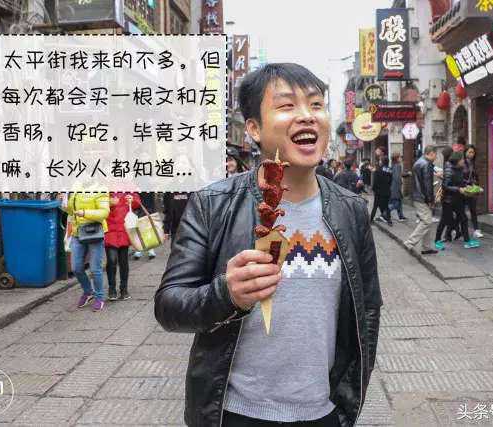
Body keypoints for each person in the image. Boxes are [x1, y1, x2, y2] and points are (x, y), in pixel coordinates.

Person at [155, 63, 381, 427]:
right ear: (254, 129)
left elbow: (367, 310)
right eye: (287, 105)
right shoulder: (213, 204)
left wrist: (345, 403)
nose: (307, 116)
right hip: (235, 413)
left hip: (323, 413)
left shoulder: (351, 210)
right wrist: (226, 294)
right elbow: (169, 305)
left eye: (316, 104)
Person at [59, 189, 110, 311]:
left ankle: (99, 297)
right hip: (78, 233)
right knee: (76, 268)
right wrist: (64, 203)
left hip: (95, 232)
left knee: (95, 268)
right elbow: (71, 211)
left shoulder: (100, 189)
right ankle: (88, 291)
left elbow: (104, 213)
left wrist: (84, 213)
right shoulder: (76, 188)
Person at [434, 151, 480, 250]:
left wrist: (469, 185)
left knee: (463, 218)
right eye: (462, 159)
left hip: (458, 198)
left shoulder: (460, 168)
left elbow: (460, 180)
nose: (463, 161)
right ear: (457, 160)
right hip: (448, 200)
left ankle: (467, 241)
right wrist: (458, 189)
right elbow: (445, 186)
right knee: (444, 220)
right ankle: (437, 240)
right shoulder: (449, 169)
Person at [105, 192, 141, 301]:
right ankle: (112, 289)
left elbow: (137, 202)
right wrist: (108, 203)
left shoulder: (127, 186)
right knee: (111, 260)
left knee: (123, 261)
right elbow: (96, 202)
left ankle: (124, 289)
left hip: (124, 228)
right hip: (110, 229)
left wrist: (132, 200)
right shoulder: (104, 188)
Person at [404, 145, 438, 255]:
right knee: (427, 221)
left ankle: (426, 247)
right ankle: (410, 242)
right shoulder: (426, 164)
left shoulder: (419, 162)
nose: (436, 157)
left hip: (417, 195)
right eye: (435, 155)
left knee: (426, 221)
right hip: (422, 197)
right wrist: (430, 200)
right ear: (431, 153)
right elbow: (427, 184)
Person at [464, 144, 483, 239]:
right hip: (464, 189)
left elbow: (476, 177)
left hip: (472, 189)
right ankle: (456, 229)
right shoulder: (462, 163)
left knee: (473, 210)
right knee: (461, 211)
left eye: (473, 152)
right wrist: (465, 185)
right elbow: (459, 176)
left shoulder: (474, 164)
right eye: (469, 152)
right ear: (465, 152)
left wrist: (476, 186)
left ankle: (476, 230)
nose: (471, 154)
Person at [370, 152, 393, 226]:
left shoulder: (378, 170)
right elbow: (390, 181)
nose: (379, 161)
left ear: (382, 162)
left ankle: (371, 219)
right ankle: (389, 220)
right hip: (386, 191)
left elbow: (375, 181)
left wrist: (373, 189)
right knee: (386, 206)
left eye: (380, 160)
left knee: (375, 206)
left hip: (378, 191)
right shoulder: (390, 170)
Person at [133, 192, 157, 260]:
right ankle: (149, 251)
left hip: (142, 211)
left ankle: (141, 251)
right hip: (145, 210)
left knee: (142, 231)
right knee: (147, 231)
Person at [389, 152, 407, 222]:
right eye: (400, 157)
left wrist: (406, 174)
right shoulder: (397, 166)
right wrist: (400, 184)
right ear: (397, 158)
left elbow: (398, 175)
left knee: (399, 202)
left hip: (393, 186)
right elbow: (397, 177)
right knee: (395, 204)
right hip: (395, 187)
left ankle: (401, 216)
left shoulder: (393, 165)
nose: (401, 158)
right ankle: (384, 214)